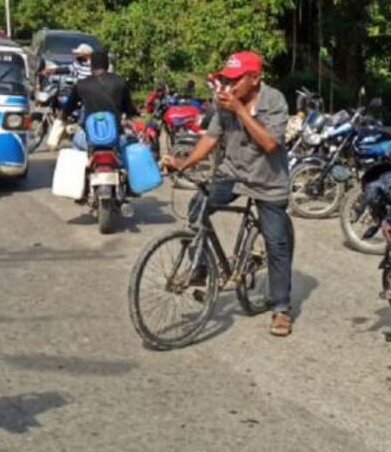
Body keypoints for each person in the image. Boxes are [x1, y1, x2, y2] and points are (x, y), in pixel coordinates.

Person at [162, 51, 295, 337]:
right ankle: (199, 267)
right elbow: (211, 138)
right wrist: (184, 163)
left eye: (236, 79)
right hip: (233, 174)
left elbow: (270, 144)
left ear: (255, 79)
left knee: (276, 243)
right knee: (198, 205)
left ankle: (281, 308)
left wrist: (240, 110)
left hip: (269, 181)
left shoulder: (274, 101)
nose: (229, 85)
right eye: (226, 79)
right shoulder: (224, 104)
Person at [63, 49, 138, 150]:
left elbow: (68, 108)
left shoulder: (81, 84)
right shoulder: (120, 82)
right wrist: (133, 113)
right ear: (107, 66)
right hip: (115, 139)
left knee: (76, 142)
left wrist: (62, 117)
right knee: (132, 145)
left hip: (89, 140)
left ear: (91, 66)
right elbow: (129, 108)